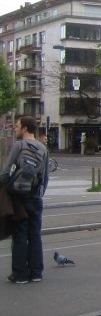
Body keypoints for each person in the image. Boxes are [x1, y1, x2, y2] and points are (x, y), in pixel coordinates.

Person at [3, 115, 49, 284]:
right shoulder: (42, 148)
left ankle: (20, 274)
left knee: (20, 234)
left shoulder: (19, 145)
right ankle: (36, 272)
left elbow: (6, 170)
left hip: (19, 198)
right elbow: (45, 178)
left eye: (16, 127)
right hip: (35, 197)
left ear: (24, 129)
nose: (15, 129)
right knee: (35, 235)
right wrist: (39, 194)